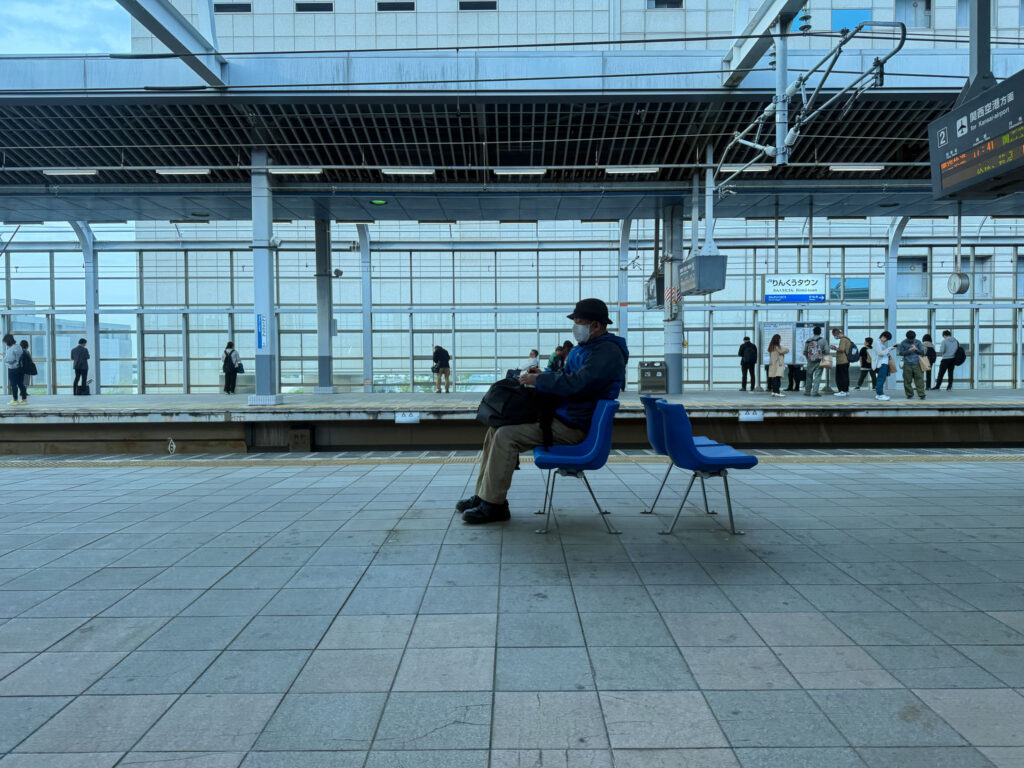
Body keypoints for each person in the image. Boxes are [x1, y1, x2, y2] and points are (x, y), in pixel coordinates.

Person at [457, 298, 628, 525]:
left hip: (575, 427)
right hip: (563, 418)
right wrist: (542, 376)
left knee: (506, 436)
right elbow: (569, 379)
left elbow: (577, 383)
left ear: (596, 325)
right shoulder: (588, 349)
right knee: (496, 428)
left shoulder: (607, 352)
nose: (575, 328)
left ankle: (495, 506)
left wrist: (540, 379)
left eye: (579, 323)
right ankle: (484, 496)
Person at [898, 330, 927, 400]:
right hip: (907, 364)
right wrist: (909, 350)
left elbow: (922, 353)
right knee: (907, 380)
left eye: (912, 339)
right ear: (907, 337)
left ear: (914, 337)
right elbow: (901, 353)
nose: (911, 340)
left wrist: (916, 349)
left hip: (917, 364)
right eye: (909, 339)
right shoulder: (903, 343)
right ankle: (909, 394)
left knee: (919, 380)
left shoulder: (918, 342)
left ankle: (921, 394)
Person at [802, 326, 828, 397]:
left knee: (809, 376)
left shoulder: (808, 340)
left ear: (813, 332)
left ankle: (807, 392)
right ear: (820, 332)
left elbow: (804, 352)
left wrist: (808, 359)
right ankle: (815, 392)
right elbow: (827, 351)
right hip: (819, 361)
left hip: (810, 361)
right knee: (817, 377)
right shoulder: (823, 340)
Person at [873, 331, 896, 401]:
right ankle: (880, 394)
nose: (886, 341)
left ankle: (879, 394)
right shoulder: (877, 342)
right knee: (881, 379)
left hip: (884, 363)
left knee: (882, 379)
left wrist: (888, 349)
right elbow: (880, 353)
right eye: (886, 339)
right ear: (883, 337)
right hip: (881, 363)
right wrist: (889, 349)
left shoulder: (881, 343)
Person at [830, 327, 853, 397]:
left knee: (840, 377)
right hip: (846, 361)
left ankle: (842, 391)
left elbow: (842, 349)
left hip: (842, 361)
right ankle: (846, 390)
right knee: (845, 376)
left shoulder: (843, 340)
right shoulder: (847, 339)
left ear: (836, 333)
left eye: (834, 335)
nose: (835, 337)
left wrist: (834, 348)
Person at [3, 334, 25, 405]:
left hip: (13, 369)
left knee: (13, 384)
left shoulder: (10, 349)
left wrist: (5, 356)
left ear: (8, 342)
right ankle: (24, 399)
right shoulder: (19, 347)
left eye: (5, 342)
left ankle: (15, 399)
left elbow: (10, 360)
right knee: (21, 383)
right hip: (20, 368)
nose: (5, 344)